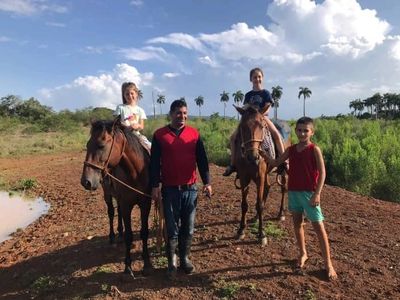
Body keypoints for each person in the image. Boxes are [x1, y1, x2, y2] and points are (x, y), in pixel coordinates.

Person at [268, 117, 337, 280]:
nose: (302, 133)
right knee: (297, 224)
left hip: (309, 194)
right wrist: (264, 155)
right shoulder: (291, 149)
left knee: (319, 227)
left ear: (312, 132)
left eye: (306, 130)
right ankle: (303, 253)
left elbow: (323, 173)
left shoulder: (315, 149)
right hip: (293, 192)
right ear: (295, 131)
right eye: (299, 130)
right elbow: (277, 162)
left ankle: (328, 264)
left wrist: (317, 193)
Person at [150, 99, 212, 279]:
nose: (182, 116)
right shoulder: (160, 135)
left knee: (189, 228)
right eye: (178, 113)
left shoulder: (194, 134)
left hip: (190, 189)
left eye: (185, 113)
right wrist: (155, 186)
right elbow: (154, 164)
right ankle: (172, 262)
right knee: (171, 228)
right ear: (171, 114)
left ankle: (184, 258)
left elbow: (202, 160)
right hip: (169, 190)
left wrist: (207, 182)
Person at [223, 67, 286, 176]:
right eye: (255, 77)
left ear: (262, 78)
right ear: (251, 79)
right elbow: (246, 107)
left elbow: (268, 108)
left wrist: (259, 114)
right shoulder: (248, 95)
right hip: (249, 120)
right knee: (233, 138)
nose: (257, 79)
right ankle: (233, 164)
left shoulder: (266, 93)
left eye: (259, 77)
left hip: (262, 117)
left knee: (276, 134)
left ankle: (284, 161)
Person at [113, 82, 151, 148]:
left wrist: (137, 126)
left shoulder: (140, 110)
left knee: (150, 147)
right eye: (127, 94)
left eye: (132, 93)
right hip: (122, 135)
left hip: (136, 135)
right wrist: (126, 127)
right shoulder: (120, 107)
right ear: (124, 96)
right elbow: (116, 122)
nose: (130, 96)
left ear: (136, 94)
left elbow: (142, 126)